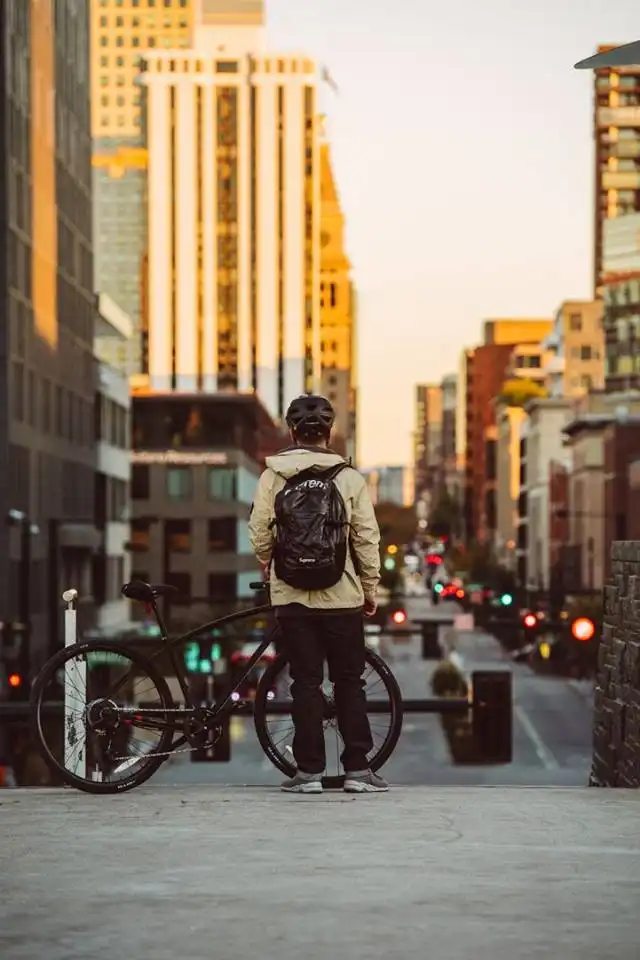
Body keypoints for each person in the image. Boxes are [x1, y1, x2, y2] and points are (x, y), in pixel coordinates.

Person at [248, 394, 387, 794]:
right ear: (330, 432)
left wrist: (270, 562)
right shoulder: (348, 477)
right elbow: (366, 540)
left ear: (292, 431)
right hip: (342, 596)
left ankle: (308, 772)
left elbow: (259, 532)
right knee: (349, 682)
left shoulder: (272, 476)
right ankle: (357, 770)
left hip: (291, 597)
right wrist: (369, 588)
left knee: (304, 682)